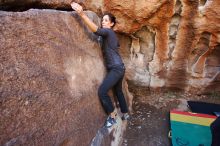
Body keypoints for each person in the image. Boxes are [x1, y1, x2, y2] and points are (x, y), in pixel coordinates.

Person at [71, 2, 130, 128]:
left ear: (112, 24)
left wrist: (81, 14)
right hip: (120, 67)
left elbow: (96, 30)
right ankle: (125, 113)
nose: (103, 22)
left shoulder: (108, 32)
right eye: (102, 20)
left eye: (106, 21)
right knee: (118, 91)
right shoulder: (111, 36)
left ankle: (112, 116)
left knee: (102, 92)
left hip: (116, 68)